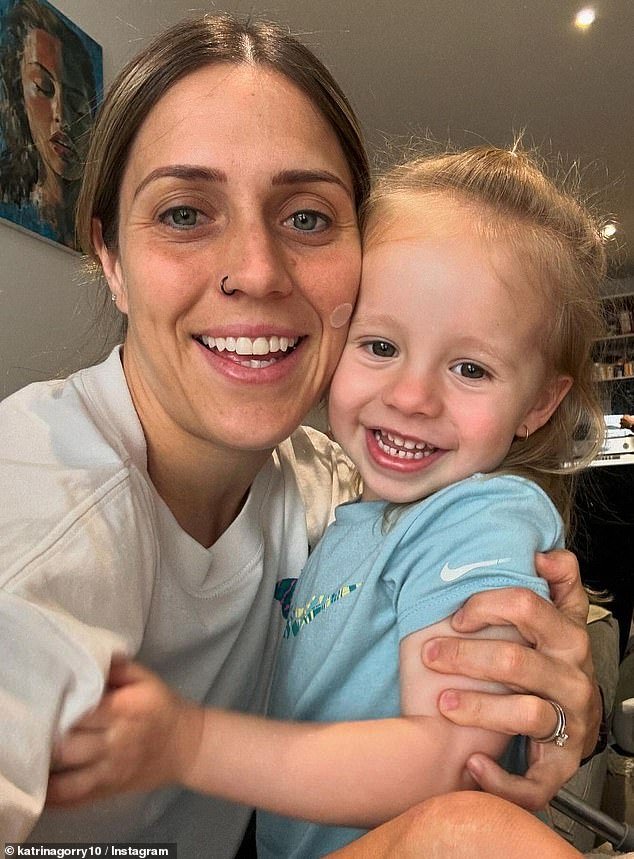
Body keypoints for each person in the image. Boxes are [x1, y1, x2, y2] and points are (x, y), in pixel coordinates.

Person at [0, 12, 601, 856]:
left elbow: (457, 715)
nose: (257, 270)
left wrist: (558, 703)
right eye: (184, 211)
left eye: (308, 218)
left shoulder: (330, 481)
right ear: (110, 259)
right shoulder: (32, 513)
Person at [0, 0, 98, 248]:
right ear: (19, 97)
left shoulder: (98, 227)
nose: (61, 115)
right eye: (43, 88)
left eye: (75, 101)